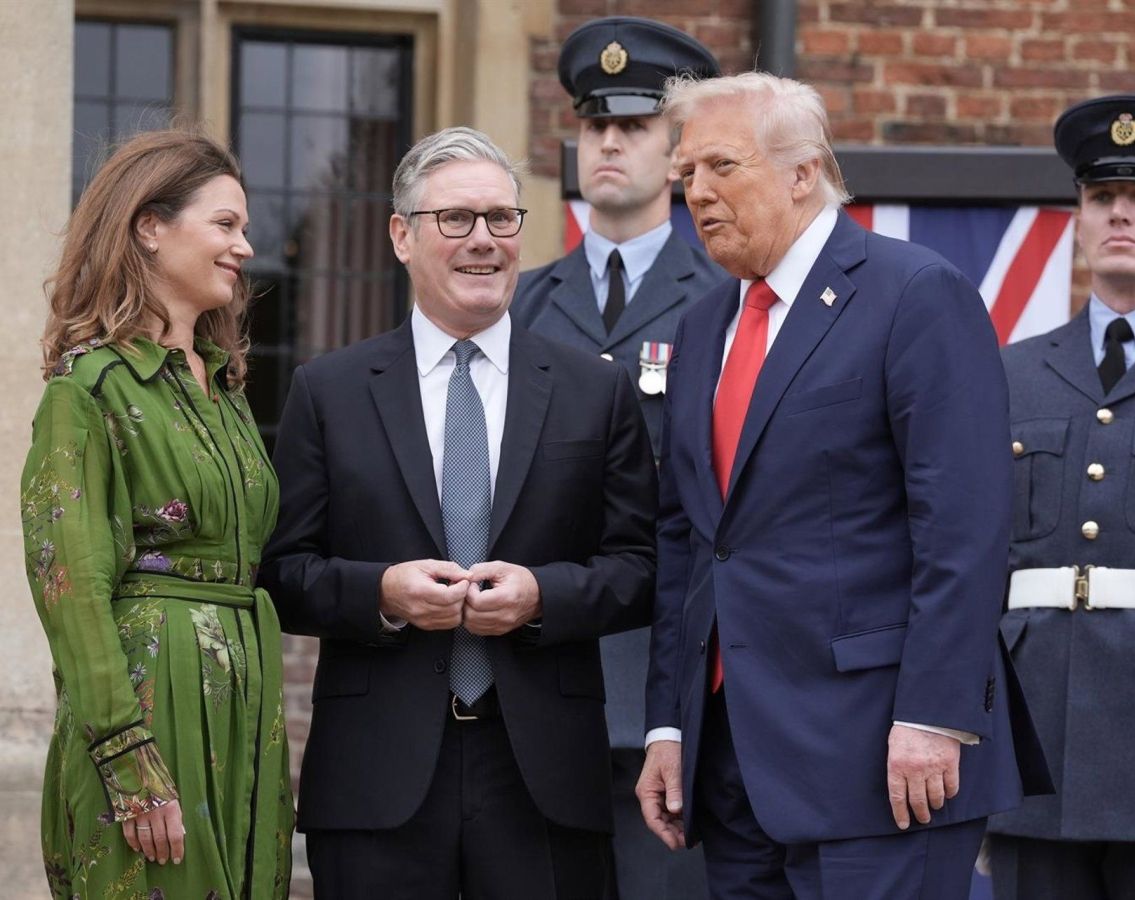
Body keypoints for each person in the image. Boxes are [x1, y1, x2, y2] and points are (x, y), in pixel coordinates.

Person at [635, 72, 1051, 899]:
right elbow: (688, 543)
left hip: (881, 757)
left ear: (803, 172)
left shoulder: (913, 294)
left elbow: (962, 529)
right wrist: (668, 725)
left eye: (722, 166)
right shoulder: (703, 326)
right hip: (731, 761)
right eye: (686, 174)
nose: (697, 193)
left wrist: (935, 716)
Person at [258, 126, 657, 899]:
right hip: (377, 780)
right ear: (401, 236)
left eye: (501, 218)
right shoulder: (330, 391)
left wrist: (543, 596)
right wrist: (381, 594)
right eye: (456, 219)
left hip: (545, 780)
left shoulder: (594, 390)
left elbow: (641, 567)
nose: (484, 240)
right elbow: (283, 571)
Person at [20, 129, 293, 899]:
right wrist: (125, 756)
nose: (245, 247)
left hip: (246, 708)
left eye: (245, 227)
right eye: (225, 224)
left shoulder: (225, 390)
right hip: (150, 711)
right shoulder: (89, 390)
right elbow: (69, 587)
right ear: (149, 227)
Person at [512, 16, 721, 897]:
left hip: (665, 667)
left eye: (633, 126)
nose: (607, 143)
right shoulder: (521, 304)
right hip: (541, 663)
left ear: (675, 153)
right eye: (595, 124)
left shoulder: (723, 301)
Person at [987, 95, 1135, 900]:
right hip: (1033, 734)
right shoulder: (1010, 373)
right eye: (1101, 195)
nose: (1120, 213)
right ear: (1078, 217)